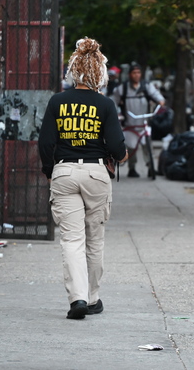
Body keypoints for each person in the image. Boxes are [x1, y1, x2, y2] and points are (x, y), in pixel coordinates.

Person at [38, 37, 129, 320]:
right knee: (94, 239)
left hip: (64, 171)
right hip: (96, 174)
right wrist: (122, 156)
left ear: (73, 71)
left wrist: (50, 172)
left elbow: (45, 143)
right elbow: (116, 147)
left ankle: (76, 298)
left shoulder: (57, 102)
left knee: (71, 240)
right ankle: (92, 298)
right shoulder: (105, 105)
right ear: (98, 73)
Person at [110, 64, 166, 178]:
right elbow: (113, 101)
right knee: (131, 147)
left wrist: (160, 101)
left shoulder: (146, 86)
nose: (136, 75)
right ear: (130, 74)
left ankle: (151, 167)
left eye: (138, 73)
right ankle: (132, 168)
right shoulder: (123, 88)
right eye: (134, 73)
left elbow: (157, 96)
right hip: (130, 123)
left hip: (144, 122)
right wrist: (115, 113)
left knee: (148, 145)